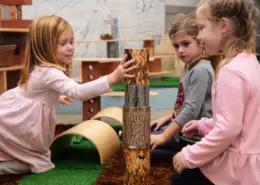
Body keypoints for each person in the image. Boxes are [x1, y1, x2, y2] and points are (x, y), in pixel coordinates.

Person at [0, 15, 137, 175]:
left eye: (71, 42)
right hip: (16, 120)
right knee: (34, 162)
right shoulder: (50, 72)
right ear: (44, 47)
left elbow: (33, 91)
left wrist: (55, 97)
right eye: (63, 43)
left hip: (13, 114)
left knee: (23, 154)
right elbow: (78, 92)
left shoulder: (41, 68)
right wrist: (112, 78)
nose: (70, 47)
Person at [172, 1, 260, 185]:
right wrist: (203, 125)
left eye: (202, 28)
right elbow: (239, 120)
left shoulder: (231, 72)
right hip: (249, 161)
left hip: (237, 169)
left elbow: (227, 130)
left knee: (180, 180)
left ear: (223, 26)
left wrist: (188, 156)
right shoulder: (249, 62)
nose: (199, 35)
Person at [150, 13, 214, 161]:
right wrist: (167, 118)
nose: (180, 50)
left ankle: (188, 158)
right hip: (181, 132)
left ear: (201, 42)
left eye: (186, 44)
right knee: (146, 133)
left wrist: (163, 137)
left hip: (192, 139)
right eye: (176, 45)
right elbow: (186, 104)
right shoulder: (191, 66)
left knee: (145, 150)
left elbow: (191, 110)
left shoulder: (201, 71)